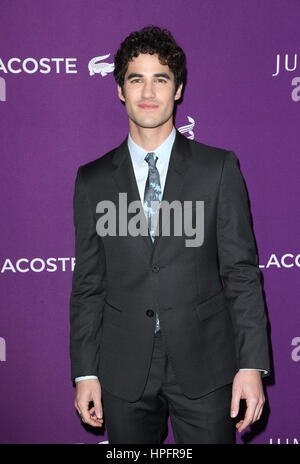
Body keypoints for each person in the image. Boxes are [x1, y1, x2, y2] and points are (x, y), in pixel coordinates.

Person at [69, 26, 270, 444]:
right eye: (135, 78)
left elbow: (241, 272)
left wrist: (251, 366)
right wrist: (86, 372)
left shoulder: (217, 169)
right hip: (123, 368)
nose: (148, 91)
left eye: (160, 78)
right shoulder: (92, 181)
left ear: (177, 89)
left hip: (206, 364)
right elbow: (89, 284)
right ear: (120, 90)